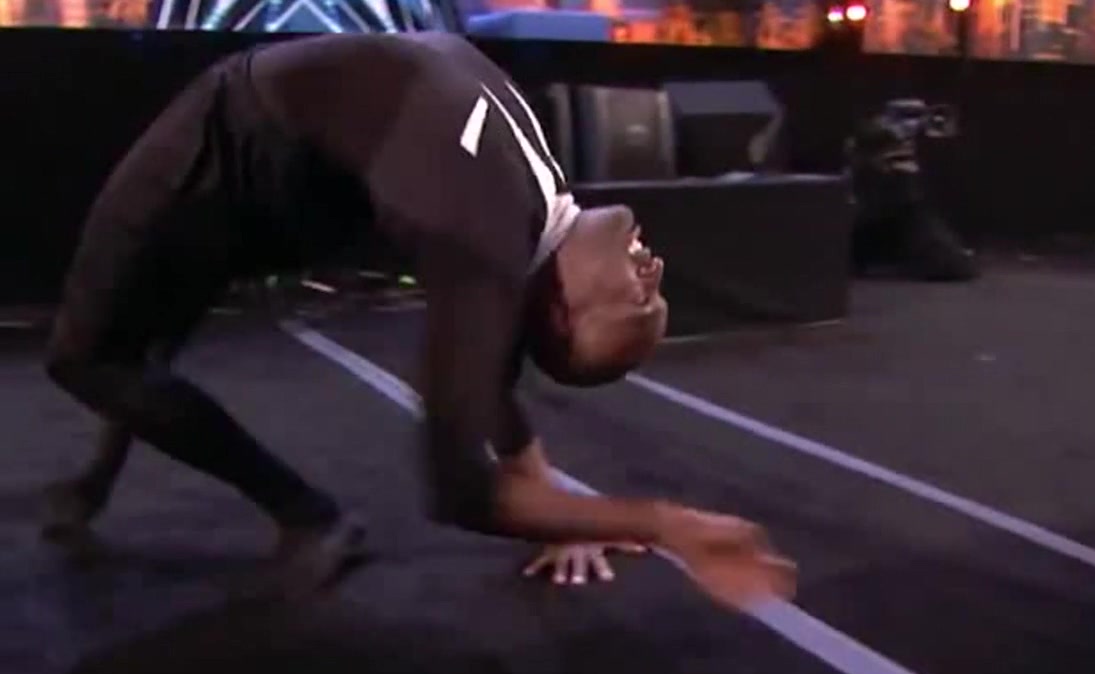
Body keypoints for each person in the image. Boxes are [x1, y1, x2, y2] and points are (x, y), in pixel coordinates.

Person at [41, 31, 795, 608]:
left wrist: (657, 523)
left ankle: (306, 514)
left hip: (229, 144)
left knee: (85, 359)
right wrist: (554, 501)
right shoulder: (532, 206)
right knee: (148, 332)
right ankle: (93, 483)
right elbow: (493, 359)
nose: (653, 272)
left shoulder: (488, 245)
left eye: (638, 306)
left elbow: (459, 488)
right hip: (309, 180)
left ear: (564, 314)